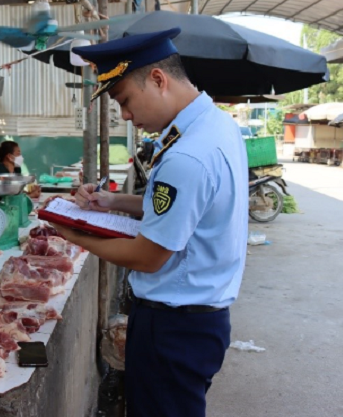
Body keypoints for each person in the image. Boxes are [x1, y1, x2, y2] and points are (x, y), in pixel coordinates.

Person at [50, 28, 248, 417]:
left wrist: (74, 233)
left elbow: (147, 257)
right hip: (196, 323)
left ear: (158, 80)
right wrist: (111, 201)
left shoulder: (186, 156)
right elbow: (179, 210)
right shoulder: (214, 126)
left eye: (125, 100)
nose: (125, 115)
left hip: (173, 329)